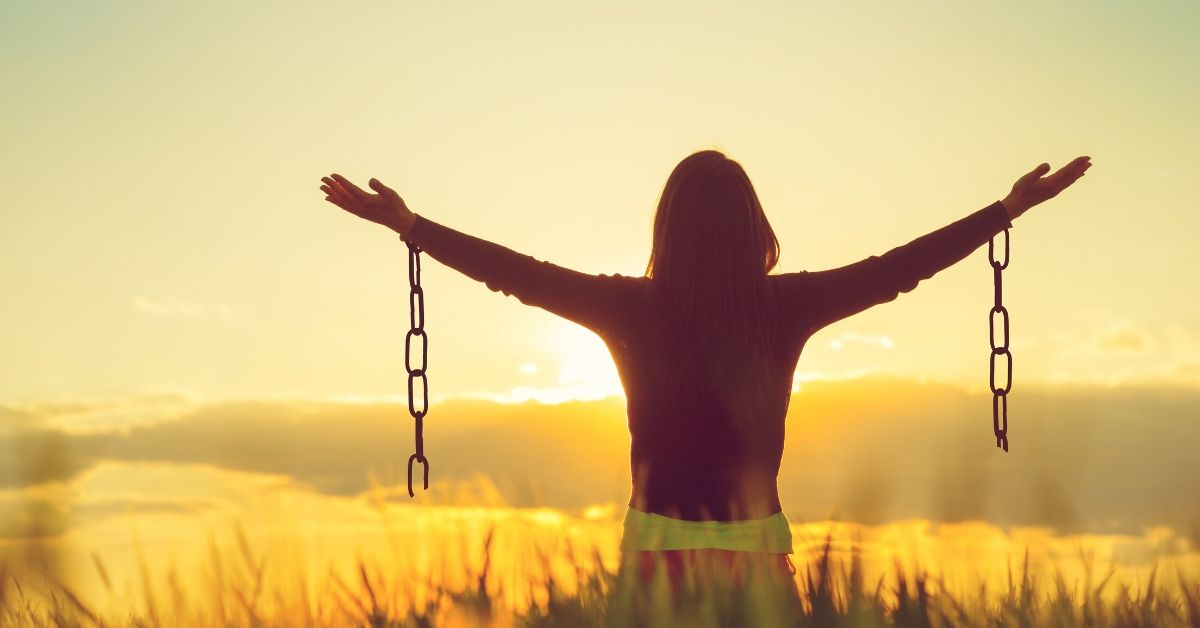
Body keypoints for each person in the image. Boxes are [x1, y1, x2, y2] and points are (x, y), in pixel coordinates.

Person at [318, 150, 1091, 601]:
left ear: (667, 229)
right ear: (755, 229)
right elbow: (900, 269)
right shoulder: (785, 306)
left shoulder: (626, 307)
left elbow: (516, 274)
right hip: (756, 558)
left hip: (652, 559)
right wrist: (1005, 209)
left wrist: (413, 228)